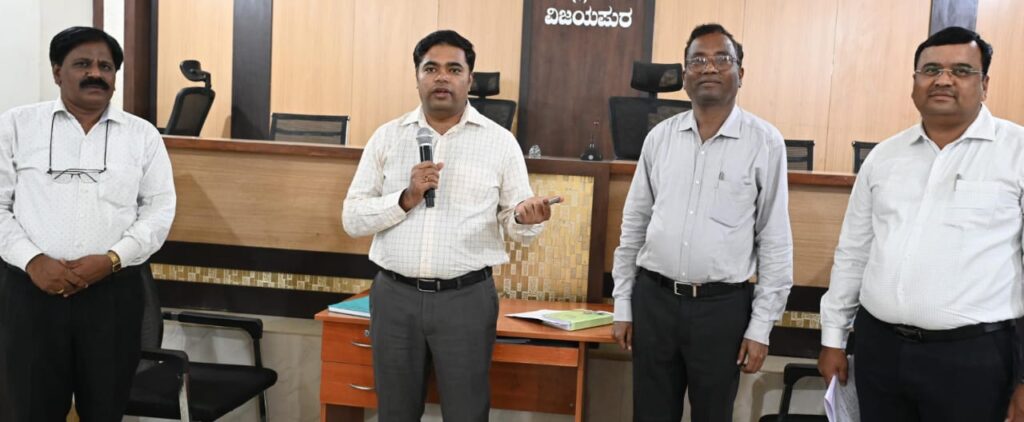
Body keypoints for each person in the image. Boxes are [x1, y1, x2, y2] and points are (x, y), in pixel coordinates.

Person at [342, 29, 557, 421]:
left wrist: (526, 218)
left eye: (454, 69)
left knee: (466, 413)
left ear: (469, 79)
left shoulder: (499, 143)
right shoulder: (387, 138)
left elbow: (515, 220)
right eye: (431, 68)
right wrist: (405, 198)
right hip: (394, 299)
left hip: (466, 300)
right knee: (395, 413)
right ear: (417, 76)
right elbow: (352, 218)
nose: (442, 77)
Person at [818, 26, 1024, 422]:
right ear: (914, 83)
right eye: (930, 70)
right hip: (880, 351)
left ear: (984, 85)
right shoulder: (884, 157)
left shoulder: (1016, 152)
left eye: (961, 70)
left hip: (974, 360)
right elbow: (854, 253)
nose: (943, 79)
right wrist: (833, 339)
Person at [611, 23, 793, 422]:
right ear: (684, 74)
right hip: (654, 302)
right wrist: (623, 303)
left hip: (721, 310)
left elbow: (775, 239)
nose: (709, 67)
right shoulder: (659, 138)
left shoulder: (765, 142)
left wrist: (761, 327)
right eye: (698, 60)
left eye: (721, 58)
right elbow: (634, 225)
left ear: (741, 73)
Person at [0, 26, 176, 421]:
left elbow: (159, 210)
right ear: (57, 71)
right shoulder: (16, 126)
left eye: (105, 66)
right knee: (27, 408)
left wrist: (112, 260)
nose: (96, 73)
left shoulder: (142, 136)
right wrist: (33, 261)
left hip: (111, 296)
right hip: (31, 294)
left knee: (105, 410)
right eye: (83, 64)